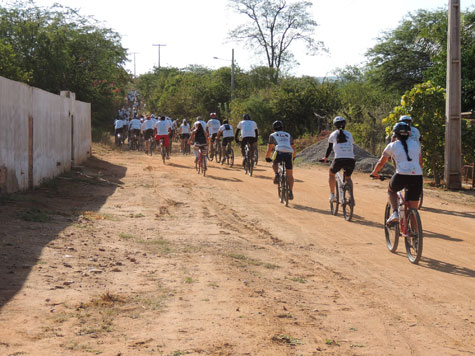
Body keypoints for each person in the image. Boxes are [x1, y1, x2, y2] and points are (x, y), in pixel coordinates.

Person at [371, 122, 423, 224]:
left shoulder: (392, 145)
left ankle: (395, 213)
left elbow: (381, 162)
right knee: (413, 209)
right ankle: (415, 237)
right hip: (417, 176)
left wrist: (374, 173)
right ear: (409, 133)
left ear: (395, 134)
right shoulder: (417, 145)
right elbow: (420, 162)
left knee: (391, 191)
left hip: (401, 175)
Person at [322, 116, 356, 203]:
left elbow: (329, 148)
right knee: (348, 177)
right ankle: (351, 197)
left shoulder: (333, 134)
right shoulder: (349, 134)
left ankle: (332, 195)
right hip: (351, 159)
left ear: (335, 125)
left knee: (331, 174)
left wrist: (325, 158)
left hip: (339, 159)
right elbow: (352, 146)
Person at [265, 120, 296, 200]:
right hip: (289, 153)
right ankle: (290, 191)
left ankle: (276, 174)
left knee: (274, 162)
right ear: (282, 127)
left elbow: (270, 148)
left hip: (279, 152)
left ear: (273, 128)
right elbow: (293, 148)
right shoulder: (288, 135)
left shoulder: (272, 135)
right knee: (290, 174)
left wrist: (267, 157)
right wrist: (293, 157)